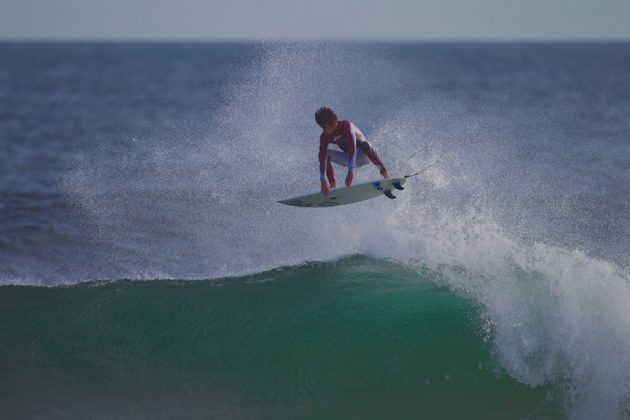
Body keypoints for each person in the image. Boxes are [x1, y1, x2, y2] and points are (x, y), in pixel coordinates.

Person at [315, 107, 390, 195]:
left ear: (333, 123)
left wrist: (350, 171)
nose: (323, 130)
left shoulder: (346, 126)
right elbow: (323, 157)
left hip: (364, 155)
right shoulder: (324, 137)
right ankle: (332, 185)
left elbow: (352, 147)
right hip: (349, 159)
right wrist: (323, 180)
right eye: (321, 127)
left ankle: (385, 173)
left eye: (325, 127)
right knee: (321, 154)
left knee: (365, 144)